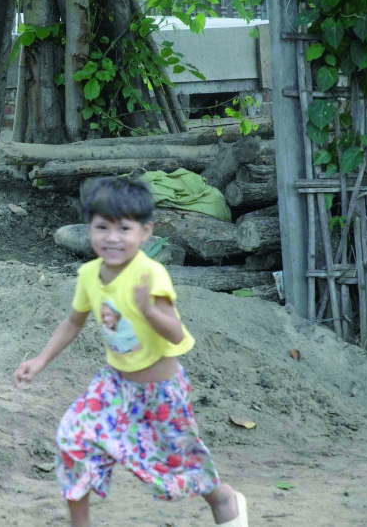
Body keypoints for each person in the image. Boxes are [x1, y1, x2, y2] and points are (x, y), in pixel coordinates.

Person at [13, 176, 247, 527]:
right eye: (102, 227)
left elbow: (176, 331)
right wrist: (40, 359)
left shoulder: (150, 275)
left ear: (144, 232)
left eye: (124, 228)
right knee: (73, 438)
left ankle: (223, 498)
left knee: (178, 464)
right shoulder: (90, 275)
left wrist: (148, 310)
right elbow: (73, 322)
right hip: (115, 386)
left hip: (162, 392)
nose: (112, 237)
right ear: (88, 230)